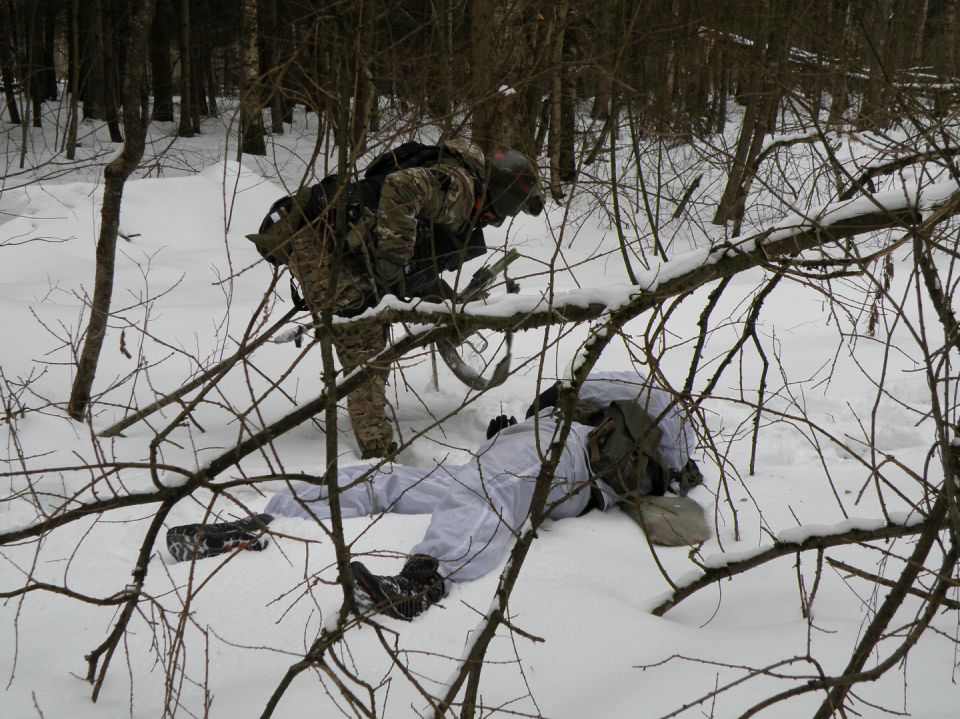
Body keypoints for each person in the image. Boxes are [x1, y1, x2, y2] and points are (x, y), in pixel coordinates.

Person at [166, 370, 700, 621]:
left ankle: (425, 580)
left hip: (565, 466)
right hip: (512, 456)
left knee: (492, 493)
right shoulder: (584, 409)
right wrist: (521, 426)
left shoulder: (641, 410)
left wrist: (550, 418)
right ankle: (265, 521)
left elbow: (658, 459)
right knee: (389, 477)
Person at [253, 138, 543, 460]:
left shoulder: (453, 177)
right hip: (313, 237)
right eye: (506, 212)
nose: (498, 221)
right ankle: (377, 459)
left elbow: (418, 250)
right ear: (503, 198)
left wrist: (444, 305)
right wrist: (393, 257)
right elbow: (400, 186)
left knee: (411, 309)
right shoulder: (462, 188)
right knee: (365, 349)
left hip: (331, 238)